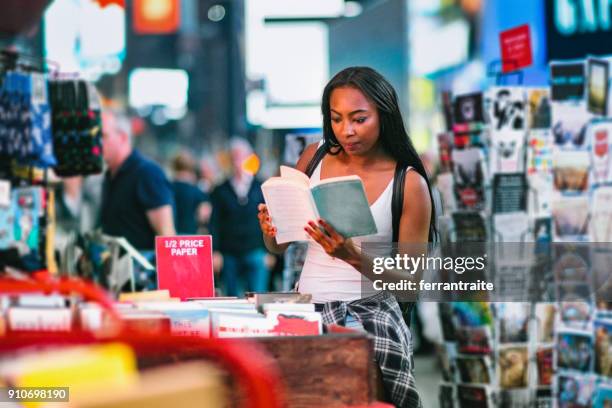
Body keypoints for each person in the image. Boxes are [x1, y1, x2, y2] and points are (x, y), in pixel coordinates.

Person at [257, 67, 436, 407]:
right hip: (305, 309)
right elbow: (276, 247)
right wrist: (271, 229)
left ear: (384, 114)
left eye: (359, 119)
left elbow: (411, 284)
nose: (346, 131)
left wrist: (353, 255)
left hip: (371, 317)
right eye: (336, 119)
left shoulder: (409, 183)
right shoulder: (314, 157)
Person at [99, 110, 175, 251]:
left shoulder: (147, 173)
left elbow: (167, 237)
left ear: (122, 137)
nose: (97, 142)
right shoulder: (110, 175)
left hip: (141, 271)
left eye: (103, 135)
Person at [210, 137, 269, 296]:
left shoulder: (261, 187)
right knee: (231, 297)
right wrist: (215, 251)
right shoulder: (219, 189)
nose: (237, 160)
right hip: (229, 253)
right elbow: (214, 222)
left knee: (258, 297)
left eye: (241, 156)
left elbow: (271, 219)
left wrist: (270, 251)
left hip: (256, 250)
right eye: (234, 156)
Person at [170, 150, 211, 235]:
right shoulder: (197, 191)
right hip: (190, 235)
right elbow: (204, 216)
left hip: (171, 234)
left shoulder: (167, 188)